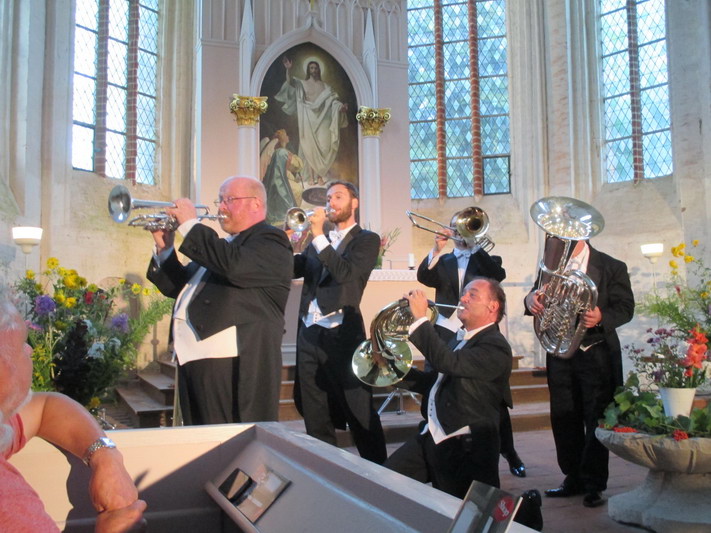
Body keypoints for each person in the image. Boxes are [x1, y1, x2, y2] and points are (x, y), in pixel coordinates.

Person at [147, 176, 293, 425]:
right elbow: (178, 287)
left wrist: (190, 224)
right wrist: (165, 249)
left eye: (229, 200)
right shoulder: (224, 247)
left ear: (256, 204)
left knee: (225, 437)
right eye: (220, 200)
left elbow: (235, 267)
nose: (221, 207)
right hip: (194, 357)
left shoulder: (271, 240)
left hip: (230, 360)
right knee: (200, 435)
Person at [0, 286, 146, 532]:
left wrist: (106, 459)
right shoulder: (9, 510)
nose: (30, 350)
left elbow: (46, 408)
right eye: (22, 344)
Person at [524, 237, 634, 508]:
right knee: (564, 416)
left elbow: (625, 307)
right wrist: (529, 300)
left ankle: (594, 484)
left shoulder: (611, 265)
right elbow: (536, 295)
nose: (558, 238)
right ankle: (572, 477)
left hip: (596, 353)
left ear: (582, 234)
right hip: (560, 353)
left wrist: (601, 317)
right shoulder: (552, 267)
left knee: (595, 418)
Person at [416, 215, 526, 478]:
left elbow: (497, 275)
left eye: (463, 227)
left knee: (492, 402)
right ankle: (433, 439)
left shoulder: (485, 258)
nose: (459, 232)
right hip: (445, 331)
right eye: (456, 227)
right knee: (436, 383)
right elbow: (424, 276)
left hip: (479, 333)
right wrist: (437, 248)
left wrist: (474, 244)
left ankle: (509, 452)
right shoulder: (444, 260)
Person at [385, 279, 512, 495]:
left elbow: (448, 362)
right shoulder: (459, 339)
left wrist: (420, 319)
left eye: (472, 295)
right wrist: (390, 368)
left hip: (466, 448)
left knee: (461, 512)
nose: (463, 298)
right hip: (433, 436)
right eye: (464, 293)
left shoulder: (496, 345)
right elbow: (434, 381)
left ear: (492, 306)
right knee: (384, 481)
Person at [292, 180, 387, 464]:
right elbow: (294, 270)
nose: (331, 202)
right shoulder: (316, 242)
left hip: (342, 334)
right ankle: (326, 468)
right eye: (329, 198)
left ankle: (379, 471)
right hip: (309, 333)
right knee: (314, 409)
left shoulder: (366, 240)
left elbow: (345, 273)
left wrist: (317, 236)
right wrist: (284, 243)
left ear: (354, 203)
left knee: (358, 408)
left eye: (338, 197)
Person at [275, 57, 348, 185]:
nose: (313, 70)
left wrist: (340, 107)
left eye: (315, 68)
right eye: (311, 68)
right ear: (308, 70)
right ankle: (312, 177)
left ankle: (320, 175)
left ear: (319, 70)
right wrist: (288, 70)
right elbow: (290, 82)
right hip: (308, 118)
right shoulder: (302, 83)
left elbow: (333, 101)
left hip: (323, 119)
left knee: (324, 147)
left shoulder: (326, 87)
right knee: (309, 148)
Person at [260, 129, 304, 225]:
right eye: (286, 135)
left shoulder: (282, 150)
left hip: (281, 177)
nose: (288, 137)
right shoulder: (279, 151)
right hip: (276, 181)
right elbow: (282, 169)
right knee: (296, 190)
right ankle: (289, 217)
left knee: (295, 189)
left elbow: (290, 168)